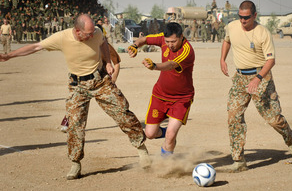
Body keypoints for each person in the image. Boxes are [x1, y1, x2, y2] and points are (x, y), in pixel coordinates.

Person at [0, 14, 151, 180]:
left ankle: (141, 149)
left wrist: (108, 61)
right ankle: (75, 163)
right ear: (78, 31)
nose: (92, 35)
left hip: (100, 80)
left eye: (93, 32)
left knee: (123, 113)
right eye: (88, 33)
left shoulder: (97, 32)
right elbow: (35, 47)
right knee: (75, 124)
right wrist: (9, 56)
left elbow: (103, 43)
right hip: (77, 85)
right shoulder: (61, 37)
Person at [220, 0, 292, 172]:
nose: (242, 21)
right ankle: (239, 160)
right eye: (240, 17)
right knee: (233, 117)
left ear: (255, 16)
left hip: (261, 78)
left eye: (246, 17)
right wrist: (222, 59)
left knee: (274, 119)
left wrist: (257, 78)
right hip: (240, 78)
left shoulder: (263, 33)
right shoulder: (232, 27)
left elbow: (271, 60)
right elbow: (227, 40)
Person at [127, 22, 195, 157]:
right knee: (150, 134)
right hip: (160, 95)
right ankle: (168, 134)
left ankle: (167, 165)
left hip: (181, 98)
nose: (170, 45)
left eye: (173, 41)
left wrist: (154, 66)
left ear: (181, 37)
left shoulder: (187, 51)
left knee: (170, 135)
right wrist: (135, 45)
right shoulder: (163, 39)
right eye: (168, 41)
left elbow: (170, 65)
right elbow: (145, 39)